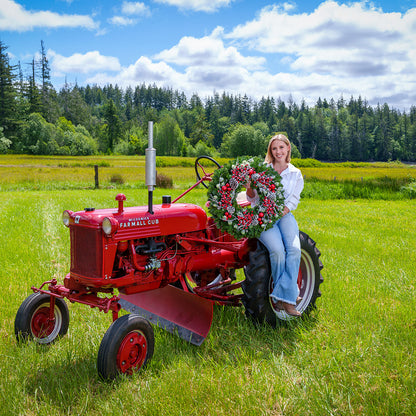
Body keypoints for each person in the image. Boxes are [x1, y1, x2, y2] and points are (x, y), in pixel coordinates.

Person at [246, 134, 304, 317]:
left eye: (281, 147)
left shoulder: (295, 173)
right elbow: (252, 198)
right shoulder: (263, 170)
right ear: (270, 151)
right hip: (263, 216)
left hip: (284, 215)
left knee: (294, 249)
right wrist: (249, 186)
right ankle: (287, 299)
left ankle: (283, 297)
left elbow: (294, 199)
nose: (278, 151)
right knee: (278, 251)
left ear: (288, 148)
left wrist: (283, 211)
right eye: (274, 148)